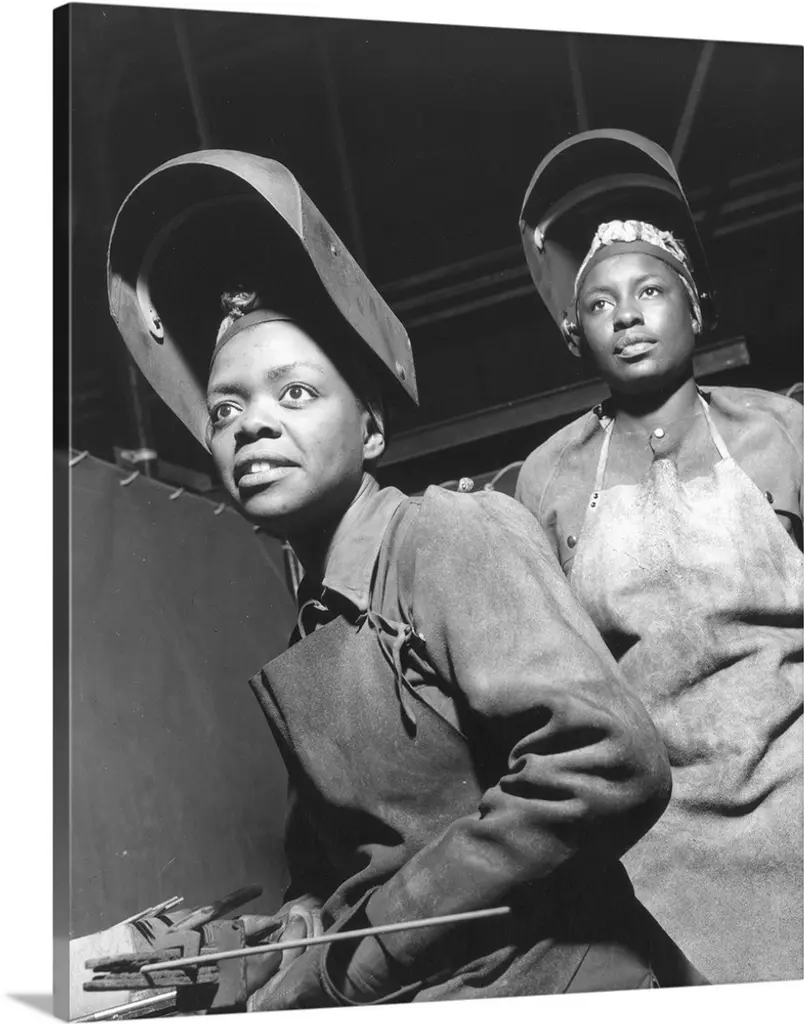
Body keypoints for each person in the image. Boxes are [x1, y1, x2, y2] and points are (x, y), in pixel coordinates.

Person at [99, 148, 694, 1014]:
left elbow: (607, 761)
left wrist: (369, 948)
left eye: (294, 394)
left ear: (371, 427)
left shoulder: (447, 535)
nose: (251, 425)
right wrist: (298, 929)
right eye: (226, 409)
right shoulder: (315, 627)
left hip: (564, 986)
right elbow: (352, 862)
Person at [516, 129, 803, 985]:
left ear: (694, 308)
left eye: (649, 290)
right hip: (654, 844)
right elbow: (550, 679)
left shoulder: (781, 430)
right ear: (578, 335)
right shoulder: (549, 476)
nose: (628, 315)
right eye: (600, 304)